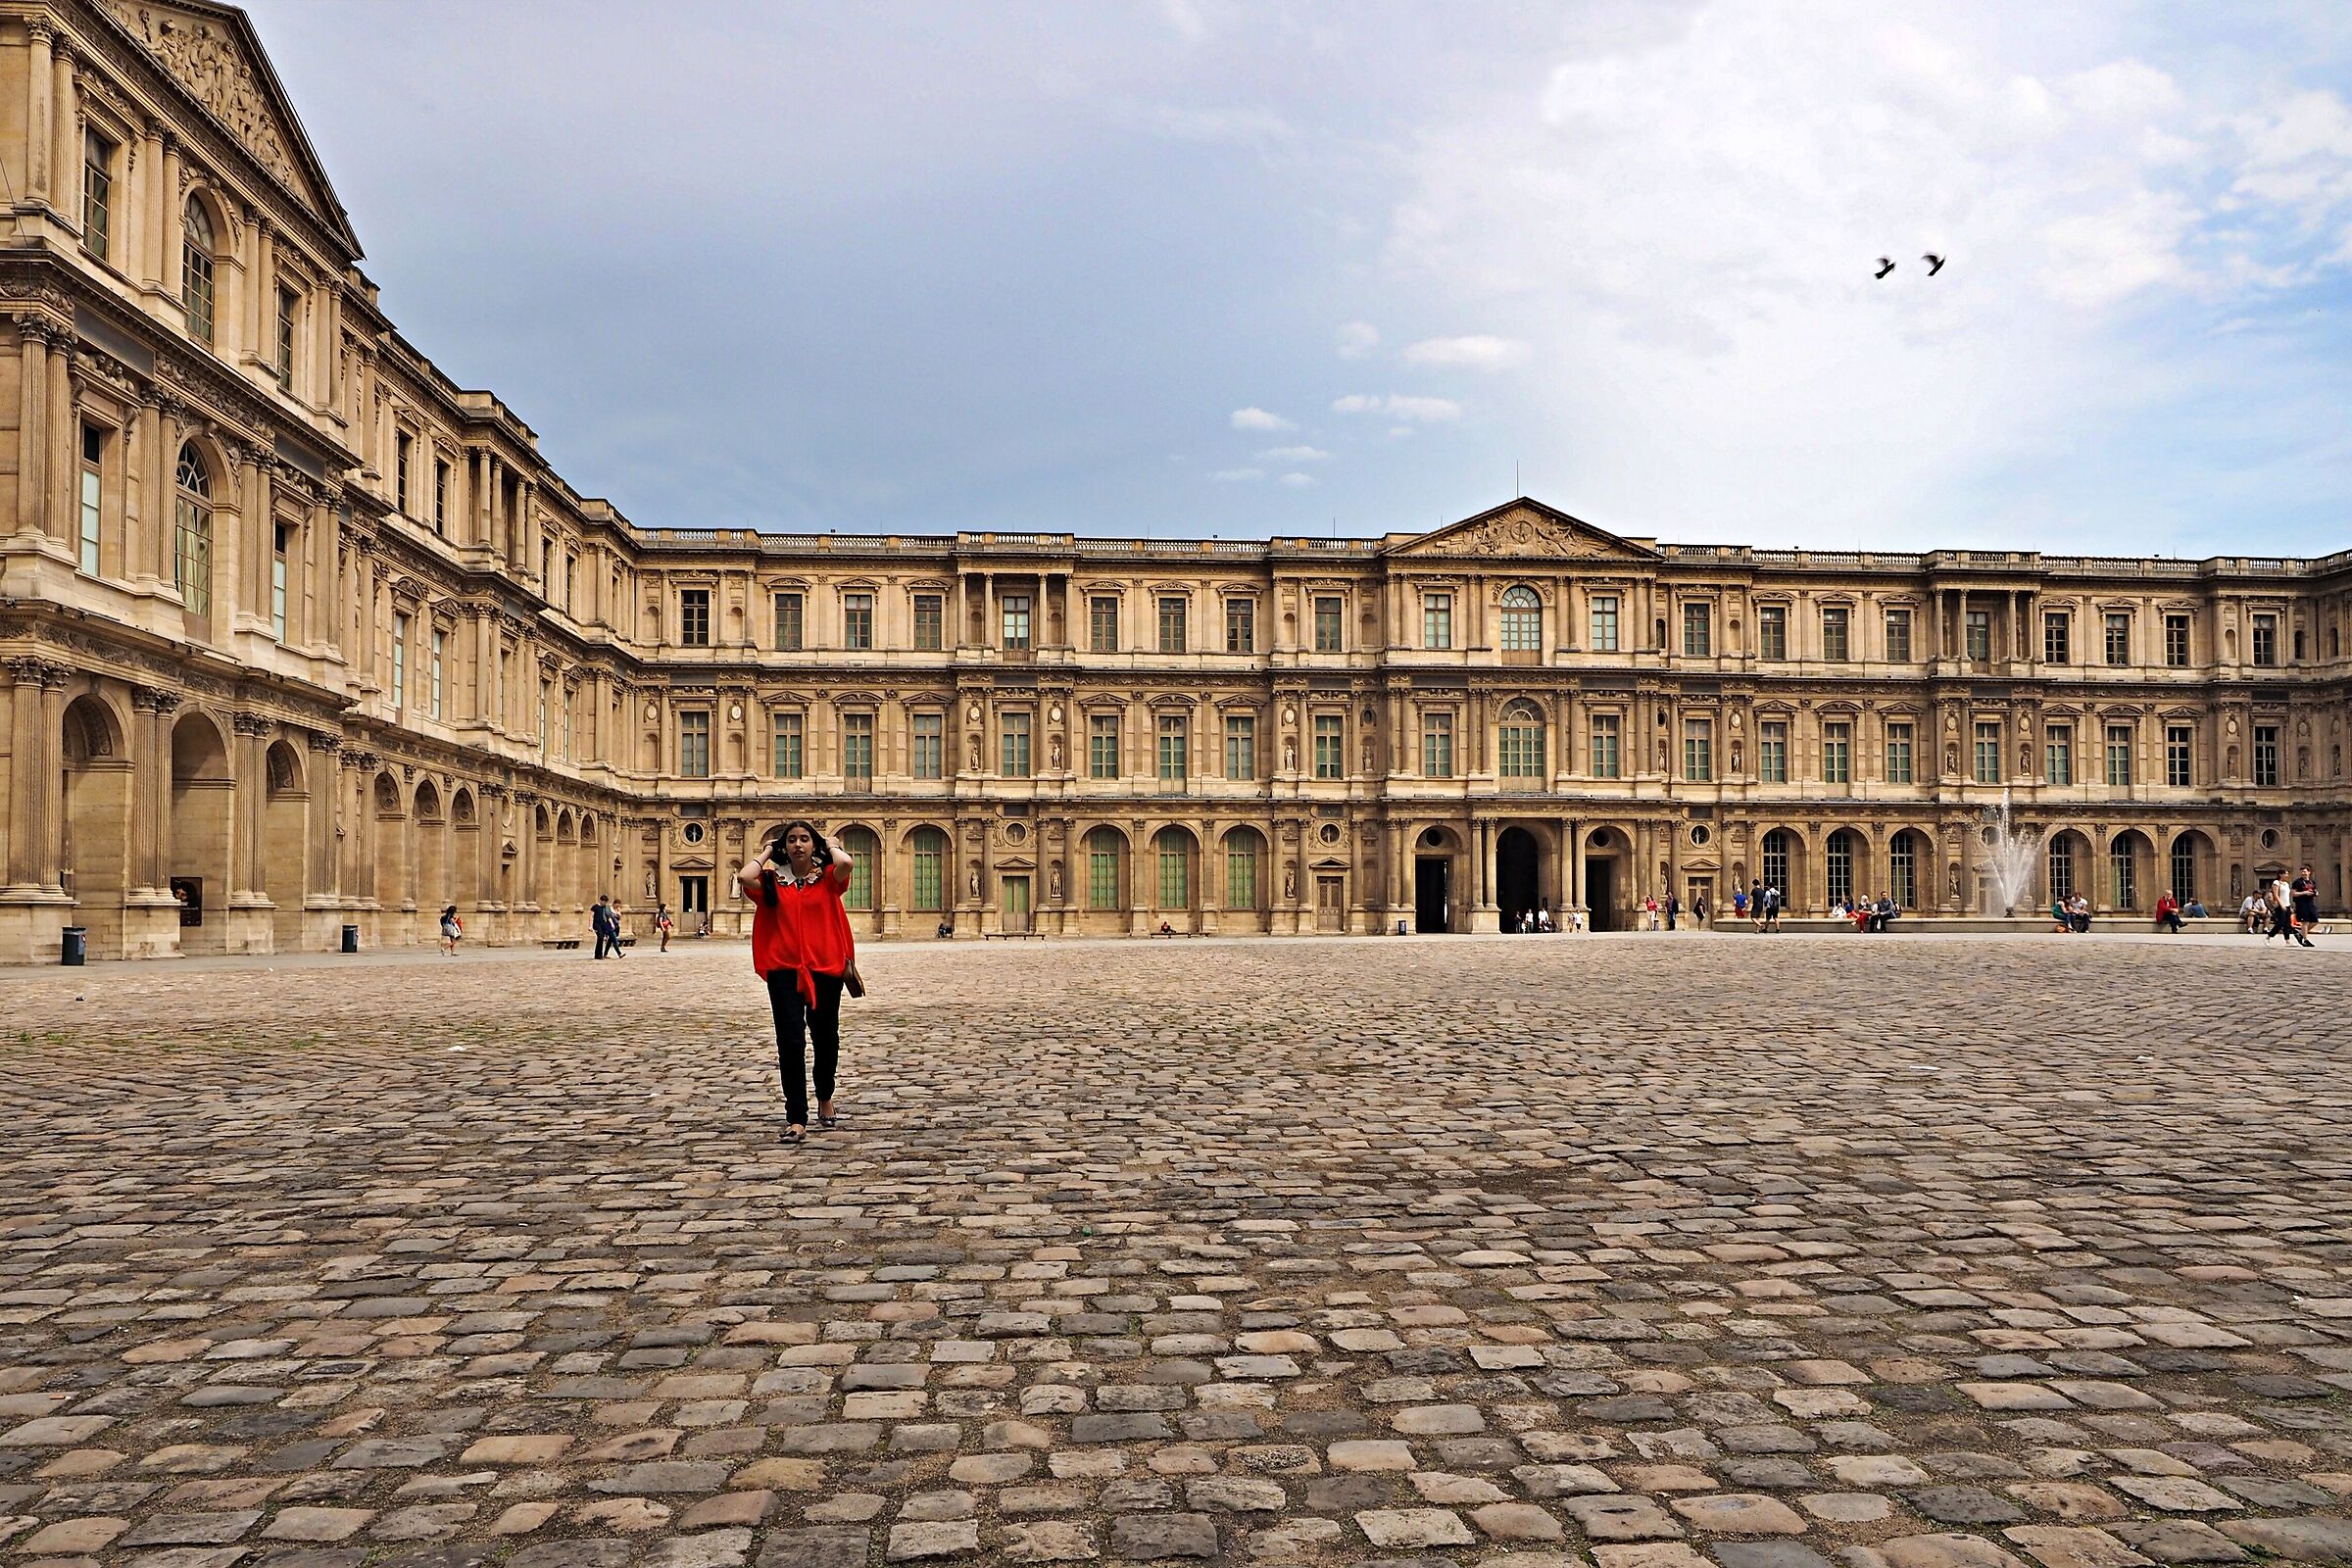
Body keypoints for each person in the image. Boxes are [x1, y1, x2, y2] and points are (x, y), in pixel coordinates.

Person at [739, 820, 857, 1146]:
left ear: (813, 845)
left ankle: (824, 1095)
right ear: (784, 847)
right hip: (783, 971)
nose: (798, 845)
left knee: (826, 1039)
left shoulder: (828, 880)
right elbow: (744, 876)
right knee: (790, 1044)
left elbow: (846, 862)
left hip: (824, 970)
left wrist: (830, 843)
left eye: (805, 839)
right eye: (791, 840)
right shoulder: (771, 882)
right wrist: (766, 851)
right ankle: (796, 1117)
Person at [2268, 871, 2299, 946]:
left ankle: (2287, 941)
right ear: (2280, 874)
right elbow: (2275, 894)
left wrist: (2289, 906)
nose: (2287, 875)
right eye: (2286, 874)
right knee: (2280, 923)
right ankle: (2269, 936)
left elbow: (2287, 896)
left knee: (2287, 924)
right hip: (2280, 905)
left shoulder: (2286, 884)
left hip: (2287, 905)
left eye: (2288, 874)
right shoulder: (2276, 882)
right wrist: (2281, 904)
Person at [2290, 865, 2319, 948]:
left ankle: (2300, 932)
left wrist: (2315, 893)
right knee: (2305, 922)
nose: (2303, 873)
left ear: (2309, 872)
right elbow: (2293, 893)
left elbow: (2314, 890)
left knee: (2315, 921)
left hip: (2310, 903)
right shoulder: (2297, 882)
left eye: (2305, 871)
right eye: (2302, 872)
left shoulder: (2312, 882)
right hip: (2301, 904)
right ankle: (2305, 939)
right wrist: (2304, 893)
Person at [592, 894, 623, 958]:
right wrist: (590, 926)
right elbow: (591, 916)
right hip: (599, 924)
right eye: (603, 901)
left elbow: (608, 917)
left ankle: (602, 954)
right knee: (602, 938)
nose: (604, 903)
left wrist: (612, 924)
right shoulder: (596, 907)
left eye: (605, 902)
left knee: (608, 939)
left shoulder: (606, 907)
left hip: (606, 925)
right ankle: (599, 954)